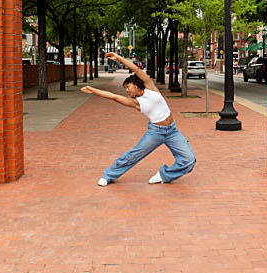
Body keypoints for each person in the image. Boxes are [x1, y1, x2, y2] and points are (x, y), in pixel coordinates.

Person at [82, 51, 196, 186]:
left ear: (135, 84)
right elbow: (113, 96)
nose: (127, 91)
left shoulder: (150, 87)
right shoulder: (136, 103)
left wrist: (118, 58)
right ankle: (109, 175)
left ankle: (164, 175)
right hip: (155, 132)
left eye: (128, 87)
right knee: (134, 155)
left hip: (172, 131)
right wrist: (94, 90)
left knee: (189, 160)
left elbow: (135, 69)